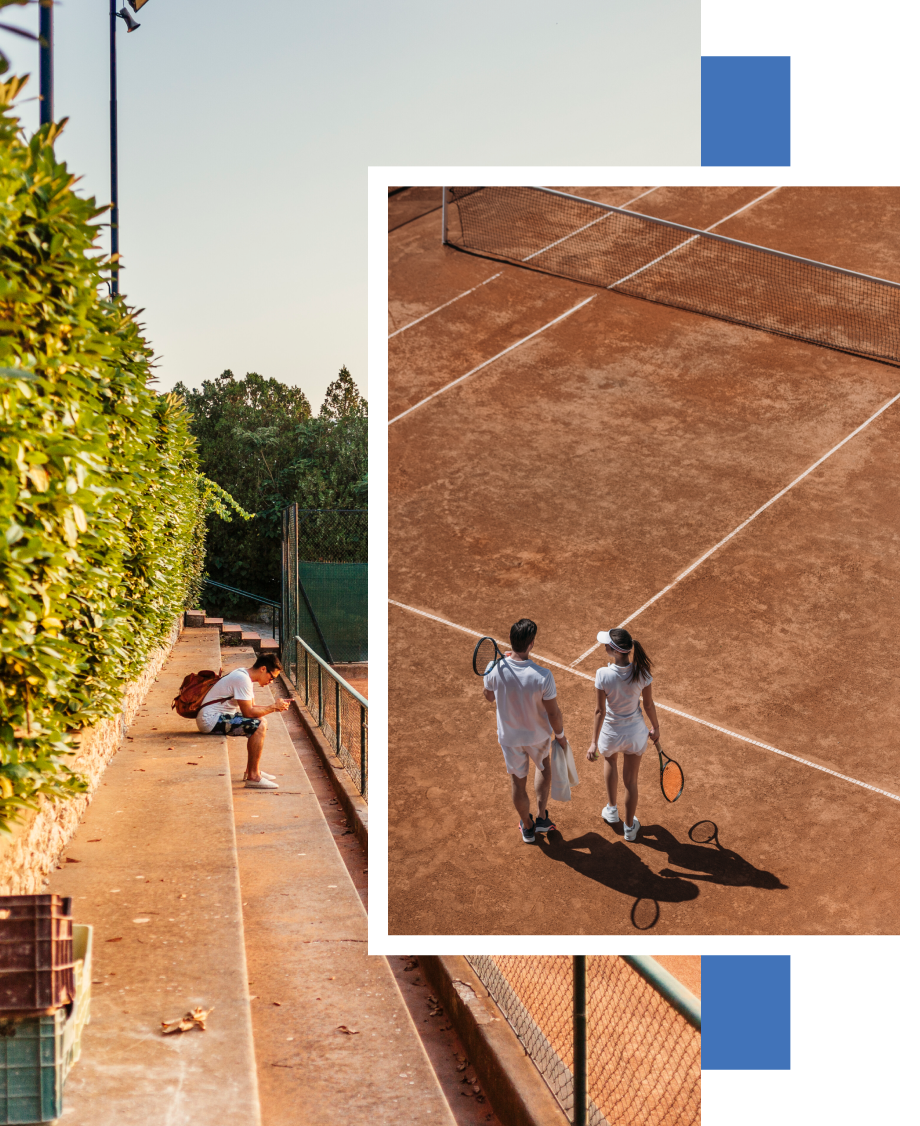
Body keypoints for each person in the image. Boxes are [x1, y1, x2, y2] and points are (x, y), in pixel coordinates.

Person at [482, 619, 568, 843]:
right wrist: (560, 736)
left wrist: (492, 673)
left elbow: (489, 697)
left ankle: (527, 827)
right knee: (543, 766)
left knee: (517, 782)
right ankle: (541, 818)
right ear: (531, 644)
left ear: (511, 641)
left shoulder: (494, 667)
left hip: (509, 738)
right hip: (538, 737)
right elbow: (553, 713)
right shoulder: (543, 675)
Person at [586, 627, 659, 842]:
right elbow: (648, 704)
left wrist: (593, 743)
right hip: (636, 734)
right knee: (631, 783)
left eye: (607, 644)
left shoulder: (603, 674)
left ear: (615, 651)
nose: (604, 646)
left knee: (610, 762)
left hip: (610, 734)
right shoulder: (642, 673)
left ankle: (611, 809)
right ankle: (629, 828)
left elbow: (600, 711)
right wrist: (656, 728)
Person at [196, 652, 291, 789]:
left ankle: (252, 770)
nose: (271, 682)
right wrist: (273, 708)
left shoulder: (245, 676)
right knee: (258, 726)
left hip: (217, 717)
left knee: (260, 721)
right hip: (210, 721)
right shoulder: (242, 679)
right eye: (272, 678)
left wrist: (275, 707)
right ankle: (253, 776)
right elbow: (248, 712)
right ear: (263, 669)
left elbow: (252, 708)